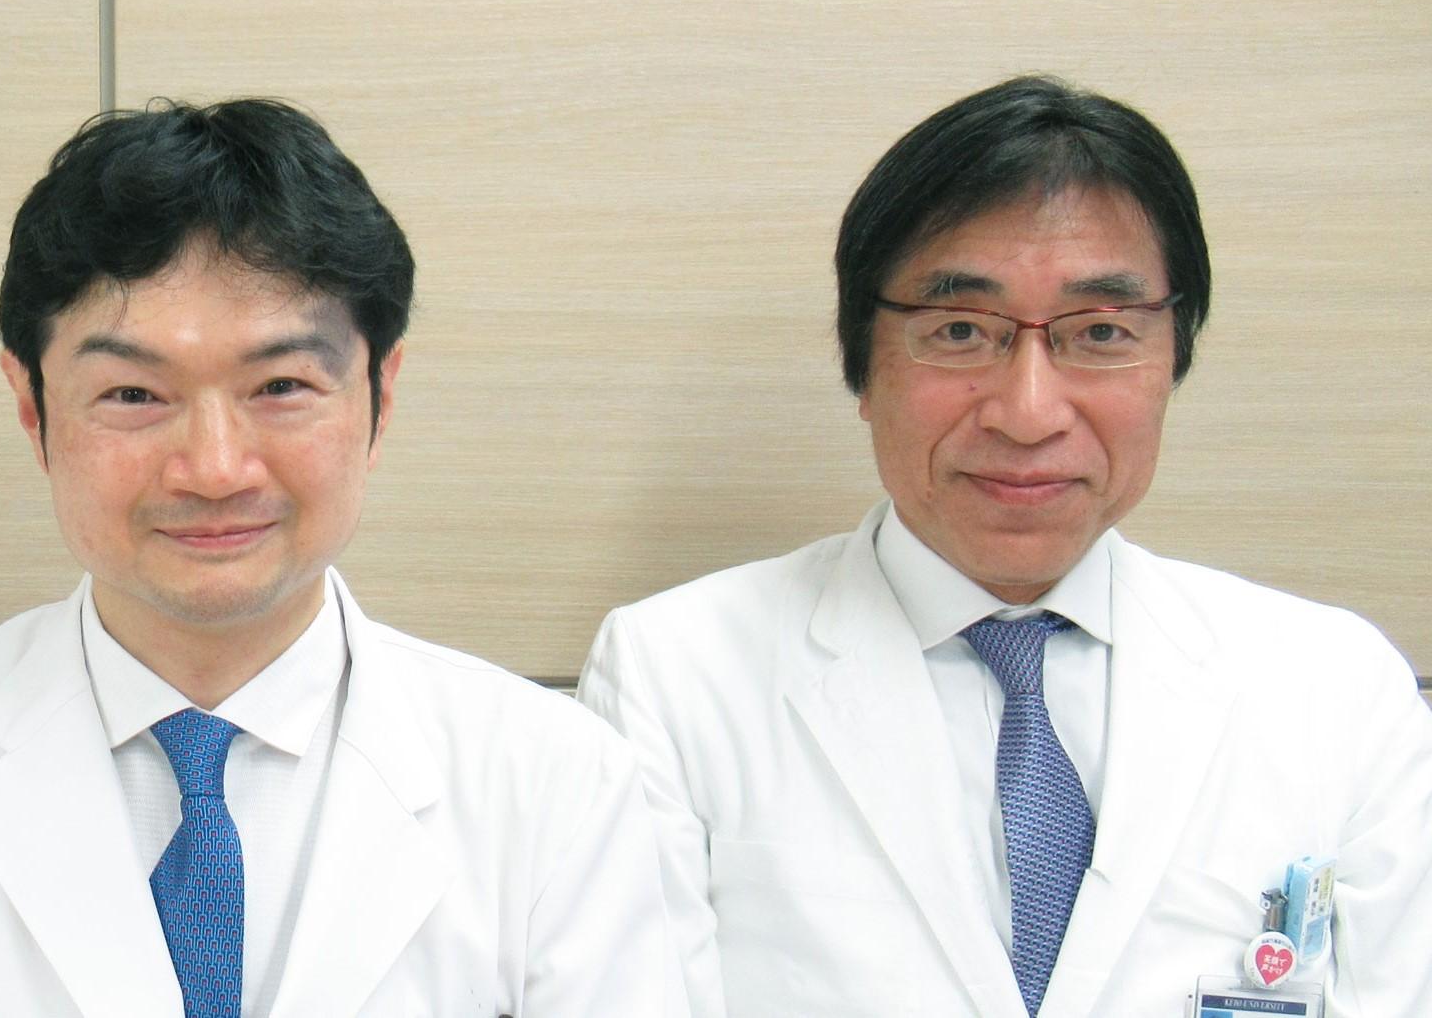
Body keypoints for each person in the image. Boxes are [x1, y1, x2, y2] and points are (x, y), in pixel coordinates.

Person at [0, 99, 680, 1016]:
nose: (215, 469)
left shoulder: (551, 777)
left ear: (380, 396)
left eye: (281, 386)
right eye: (134, 396)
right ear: (31, 408)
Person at [578, 76, 1432, 1017]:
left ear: (1171, 361)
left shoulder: (1337, 691)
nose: (1027, 413)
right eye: (959, 330)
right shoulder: (675, 675)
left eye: (1099, 331)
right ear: (861, 366)